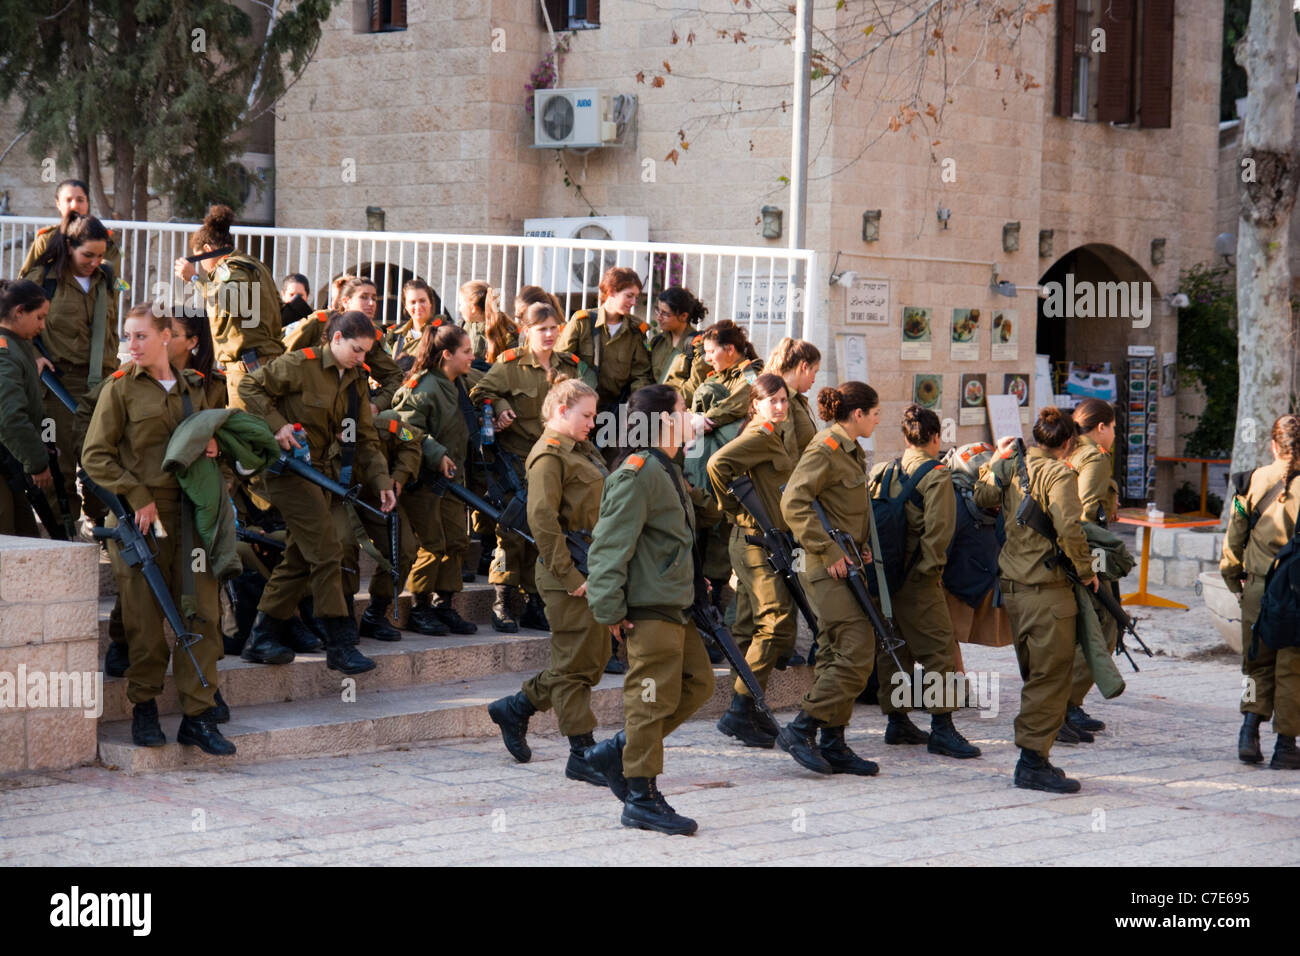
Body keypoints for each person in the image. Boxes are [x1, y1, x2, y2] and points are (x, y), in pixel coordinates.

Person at [81, 305, 232, 755]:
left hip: (192, 517)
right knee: (144, 622)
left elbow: (212, 445)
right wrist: (136, 493)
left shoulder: (196, 388)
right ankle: (143, 708)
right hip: (140, 519)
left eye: (142, 336)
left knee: (201, 614)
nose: (133, 345)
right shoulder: (121, 389)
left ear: (168, 336)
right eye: (129, 337)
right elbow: (95, 456)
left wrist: (213, 444)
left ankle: (198, 717)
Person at [583, 385, 715, 835]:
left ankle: (620, 749)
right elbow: (607, 548)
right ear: (663, 421)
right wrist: (611, 611)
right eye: (684, 410)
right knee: (650, 699)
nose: (692, 416)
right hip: (646, 608)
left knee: (697, 684)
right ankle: (641, 796)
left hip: (676, 603)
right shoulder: (638, 472)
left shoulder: (668, 469)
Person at [237, 310, 398, 675]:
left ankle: (260, 637)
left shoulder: (356, 380)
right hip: (289, 472)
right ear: (336, 339)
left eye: (366, 353)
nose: (362, 358)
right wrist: (277, 426)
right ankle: (340, 643)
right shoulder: (300, 363)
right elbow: (249, 386)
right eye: (357, 350)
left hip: (325, 477)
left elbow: (365, 437)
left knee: (299, 558)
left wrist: (382, 482)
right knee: (327, 552)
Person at [487, 379, 615, 786]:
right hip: (567, 572)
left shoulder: (581, 449)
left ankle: (517, 708)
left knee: (589, 661)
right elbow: (543, 523)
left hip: (591, 564)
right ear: (561, 409)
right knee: (575, 667)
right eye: (586, 415)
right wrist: (571, 576)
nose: (592, 423)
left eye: (594, 416)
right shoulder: (548, 456)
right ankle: (583, 752)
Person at [974, 409, 1098, 793]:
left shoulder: (1014, 466)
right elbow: (1069, 529)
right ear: (1067, 444)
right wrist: (1086, 571)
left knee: (1035, 673)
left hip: (1013, 590)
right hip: (1047, 591)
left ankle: (1037, 757)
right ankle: (1032, 762)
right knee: (1050, 676)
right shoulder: (1060, 474)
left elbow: (983, 496)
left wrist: (994, 461)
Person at [776, 382, 885, 777]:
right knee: (857, 649)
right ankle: (801, 728)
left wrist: (858, 546)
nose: (878, 418)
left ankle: (833, 742)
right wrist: (831, 550)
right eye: (874, 412)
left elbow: (839, 507)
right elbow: (794, 502)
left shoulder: (849, 450)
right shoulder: (826, 448)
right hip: (824, 567)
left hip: (844, 563)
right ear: (857, 414)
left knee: (835, 652)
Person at [470, 301, 595, 632]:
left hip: (560, 460)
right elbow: (479, 391)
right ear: (526, 332)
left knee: (548, 530)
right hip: (517, 460)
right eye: (542, 329)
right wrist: (499, 406)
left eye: (555, 327)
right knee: (511, 532)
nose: (551, 334)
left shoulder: (570, 366)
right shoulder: (509, 365)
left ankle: (534, 601)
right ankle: (504, 600)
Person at [868, 404, 981, 759]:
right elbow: (938, 535)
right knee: (939, 650)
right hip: (918, 579)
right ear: (935, 438)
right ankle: (943, 728)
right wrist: (929, 575)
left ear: (905, 437)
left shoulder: (882, 470)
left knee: (893, 647)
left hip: (885, 576)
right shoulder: (937, 474)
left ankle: (897, 721)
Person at [706, 372, 799, 748]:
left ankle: (749, 708)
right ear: (755, 404)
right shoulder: (759, 436)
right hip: (755, 542)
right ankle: (742, 708)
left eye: (783, 401)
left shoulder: (772, 436)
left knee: (745, 623)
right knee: (775, 620)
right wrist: (734, 510)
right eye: (772, 400)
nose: (779, 407)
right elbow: (716, 465)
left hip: (757, 541)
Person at [21, 211, 119, 527]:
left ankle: (97, 522)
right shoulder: (42, 280)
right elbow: (10, 325)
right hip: (57, 385)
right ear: (68, 245)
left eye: (100, 255)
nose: (94, 261)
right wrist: (32, 354)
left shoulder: (106, 280)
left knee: (101, 460)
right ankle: (63, 533)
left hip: (100, 384)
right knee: (59, 463)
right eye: (87, 255)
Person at [390, 323, 480, 635]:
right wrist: (435, 452)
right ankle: (419, 606)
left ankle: (444, 603)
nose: (472, 356)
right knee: (432, 544)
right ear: (447, 354)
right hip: (425, 481)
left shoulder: (459, 383)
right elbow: (402, 426)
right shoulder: (422, 387)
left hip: (453, 480)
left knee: (456, 540)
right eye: (466, 351)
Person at [1221, 414, 1300, 769]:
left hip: (1257, 588)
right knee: (1292, 667)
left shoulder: (1251, 482)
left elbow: (1234, 537)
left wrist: (1233, 579)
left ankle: (1249, 731)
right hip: (1296, 593)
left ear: (1272, 445)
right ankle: (1286, 745)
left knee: (1256, 662)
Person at [173, 204, 283, 409]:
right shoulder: (255, 266)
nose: (204, 268)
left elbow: (232, 301)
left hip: (248, 366)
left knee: (246, 432)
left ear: (207, 250)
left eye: (201, 261)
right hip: (266, 362)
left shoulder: (229, 269)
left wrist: (194, 278)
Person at [1063, 397, 1122, 742]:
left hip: (1071, 553)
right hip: (1089, 555)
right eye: (1113, 427)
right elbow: (1086, 515)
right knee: (1103, 627)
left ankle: (1068, 702)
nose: (1114, 434)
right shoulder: (1095, 458)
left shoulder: (1070, 451)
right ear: (1101, 427)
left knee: (1080, 631)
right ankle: (1067, 702)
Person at [556, 266, 653, 450]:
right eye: (629, 295)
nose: (633, 302)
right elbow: (561, 362)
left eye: (635, 297)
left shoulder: (635, 331)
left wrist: (634, 408)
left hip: (615, 412)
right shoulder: (582, 322)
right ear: (612, 292)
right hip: (579, 408)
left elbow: (641, 374)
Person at [283, 275, 405, 413]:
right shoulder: (319, 322)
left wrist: (376, 406)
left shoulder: (372, 336)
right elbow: (282, 356)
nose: (371, 303)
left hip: (345, 409)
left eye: (374, 298)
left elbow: (394, 376)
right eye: (364, 297)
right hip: (304, 406)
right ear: (346, 301)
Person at [0, 280, 52, 538]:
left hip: (10, 464)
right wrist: (37, 462)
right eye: (39, 317)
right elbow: (9, 418)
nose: (42, 325)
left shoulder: (16, 345)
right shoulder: (5, 351)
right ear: (19, 312)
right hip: (7, 461)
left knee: (24, 537)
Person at [19, 179, 121, 277]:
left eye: (80, 200)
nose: (74, 206)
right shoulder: (46, 239)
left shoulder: (102, 240)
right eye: (68, 200)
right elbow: (28, 276)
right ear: (58, 204)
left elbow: (112, 282)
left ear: (87, 203)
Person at [765, 337, 821, 452]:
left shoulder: (793, 398)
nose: (814, 380)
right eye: (814, 371)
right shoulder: (784, 400)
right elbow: (789, 450)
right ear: (804, 367)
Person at [649, 287, 706, 394]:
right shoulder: (657, 342)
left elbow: (695, 386)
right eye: (658, 311)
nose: (659, 318)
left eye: (665, 314)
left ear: (684, 316)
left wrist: (668, 402)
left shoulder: (699, 344)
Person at [386, 278, 446, 371]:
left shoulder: (444, 332)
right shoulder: (396, 335)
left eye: (422, 301)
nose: (418, 307)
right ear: (406, 306)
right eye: (413, 302)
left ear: (430, 302)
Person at [458, 280, 516, 364]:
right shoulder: (464, 325)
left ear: (473, 308)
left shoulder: (507, 332)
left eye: (461, 304)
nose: (459, 309)